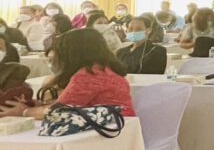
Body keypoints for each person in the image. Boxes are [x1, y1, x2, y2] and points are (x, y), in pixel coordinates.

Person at [0, 28, 135, 119]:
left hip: (105, 129)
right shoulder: (105, 69)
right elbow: (71, 103)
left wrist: (24, 112)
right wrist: (36, 105)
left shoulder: (89, 75)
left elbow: (60, 111)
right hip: (118, 126)